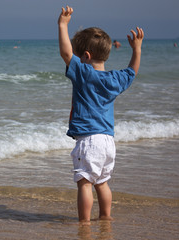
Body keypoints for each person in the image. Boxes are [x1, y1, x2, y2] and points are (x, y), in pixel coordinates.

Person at [58, 6, 144, 222]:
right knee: (102, 182)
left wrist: (62, 25)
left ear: (86, 56)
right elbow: (132, 72)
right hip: (108, 142)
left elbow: (66, 53)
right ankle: (106, 217)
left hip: (89, 140)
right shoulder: (115, 79)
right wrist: (137, 49)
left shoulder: (84, 73)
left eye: (79, 57)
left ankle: (84, 223)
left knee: (85, 182)